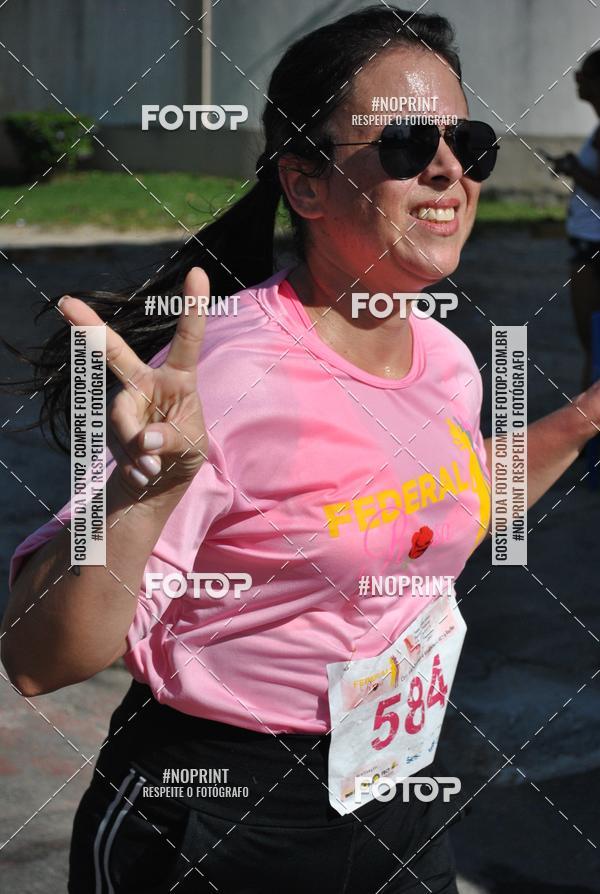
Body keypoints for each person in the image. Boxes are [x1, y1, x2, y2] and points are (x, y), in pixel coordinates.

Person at [2, 7, 599, 893]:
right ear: (306, 185)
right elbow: (37, 659)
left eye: (466, 143)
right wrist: (146, 492)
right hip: (214, 816)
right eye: (403, 144)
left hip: (393, 788)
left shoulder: (442, 354)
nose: (446, 169)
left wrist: (588, 416)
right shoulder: (231, 375)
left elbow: (446, 504)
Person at [552, 49, 600, 390]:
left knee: (595, 349)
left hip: (594, 249)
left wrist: (575, 170)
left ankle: (589, 437)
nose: (577, 79)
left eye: (584, 74)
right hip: (588, 244)